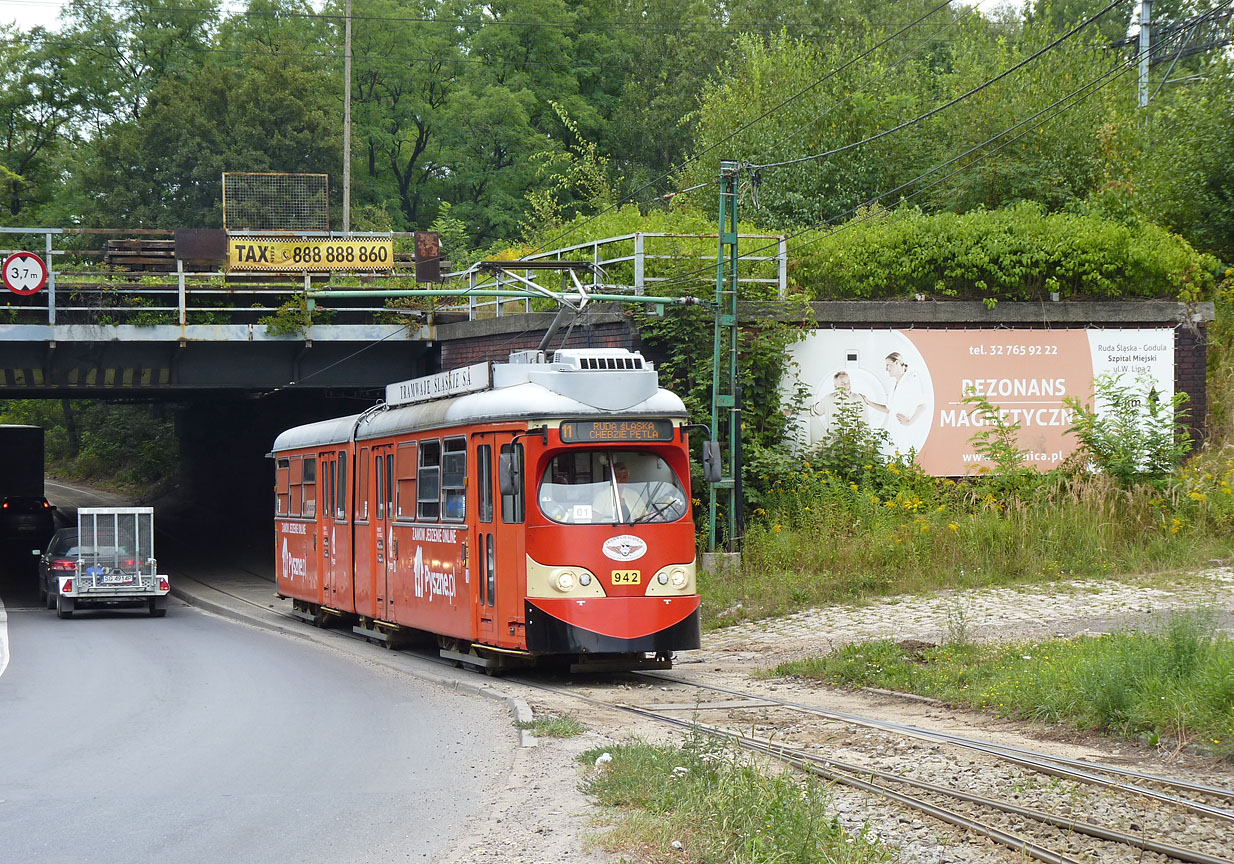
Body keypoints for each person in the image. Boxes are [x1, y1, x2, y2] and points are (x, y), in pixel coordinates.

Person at [862, 352, 927, 453]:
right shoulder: (893, 385)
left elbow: (923, 406)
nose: (886, 369)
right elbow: (888, 410)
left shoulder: (911, 380)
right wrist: (868, 402)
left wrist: (909, 422)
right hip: (893, 432)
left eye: (888, 365)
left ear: (897, 363)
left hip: (905, 432)